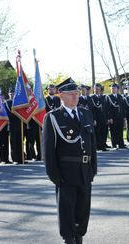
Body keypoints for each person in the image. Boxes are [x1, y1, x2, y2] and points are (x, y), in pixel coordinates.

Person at [42, 78, 97, 244]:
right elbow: (48, 151)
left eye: (77, 93)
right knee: (67, 211)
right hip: (66, 173)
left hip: (85, 170)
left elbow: (92, 143)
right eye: (71, 94)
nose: (75, 97)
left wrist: (93, 167)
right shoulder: (53, 117)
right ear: (61, 95)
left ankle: (79, 236)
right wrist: (54, 175)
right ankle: (69, 239)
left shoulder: (85, 113)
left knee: (83, 210)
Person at [4, 87, 24, 164]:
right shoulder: (6, 103)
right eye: (10, 94)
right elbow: (7, 114)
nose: (12, 95)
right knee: (14, 143)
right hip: (12, 125)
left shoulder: (19, 102)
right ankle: (15, 159)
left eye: (13, 93)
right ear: (9, 94)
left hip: (20, 124)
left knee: (20, 142)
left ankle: (21, 158)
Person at [106, 83, 126, 149]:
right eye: (112, 88)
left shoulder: (120, 97)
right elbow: (107, 108)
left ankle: (121, 144)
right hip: (113, 117)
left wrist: (124, 117)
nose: (113, 89)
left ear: (117, 89)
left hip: (120, 117)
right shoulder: (109, 97)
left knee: (120, 131)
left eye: (114, 88)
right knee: (113, 132)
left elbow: (122, 107)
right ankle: (114, 145)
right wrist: (110, 118)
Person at [90, 84, 109, 151]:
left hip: (103, 118)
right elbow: (92, 110)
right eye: (96, 89)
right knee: (97, 133)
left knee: (103, 133)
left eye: (98, 89)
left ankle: (103, 146)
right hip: (97, 119)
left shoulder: (103, 97)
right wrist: (94, 119)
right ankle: (97, 146)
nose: (97, 90)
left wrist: (107, 118)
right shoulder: (91, 98)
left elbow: (106, 109)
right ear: (93, 89)